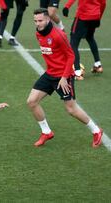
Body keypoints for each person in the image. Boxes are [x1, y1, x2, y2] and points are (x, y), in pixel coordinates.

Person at [27, 8, 103, 148]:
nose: (37, 23)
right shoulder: (39, 32)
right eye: (35, 21)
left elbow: (71, 56)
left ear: (48, 19)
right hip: (50, 74)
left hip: (63, 76)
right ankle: (46, 132)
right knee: (32, 101)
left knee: (71, 109)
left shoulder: (58, 35)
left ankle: (96, 131)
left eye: (40, 20)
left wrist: (64, 77)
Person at [62, 0, 106, 80]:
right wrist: (99, 17)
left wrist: (67, 6)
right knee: (90, 37)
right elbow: (103, 3)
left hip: (83, 17)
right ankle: (98, 65)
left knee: (73, 43)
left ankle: (78, 73)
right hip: (95, 16)